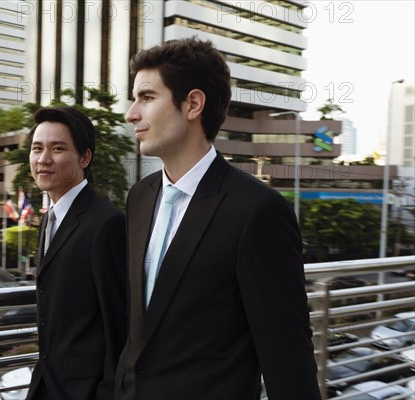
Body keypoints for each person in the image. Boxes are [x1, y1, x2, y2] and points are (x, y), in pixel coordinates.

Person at [114, 37, 321, 400]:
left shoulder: (258, 211)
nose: (132, 113)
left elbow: (287, 355)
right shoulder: (139, 198)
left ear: (193, 104)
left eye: (146, 97)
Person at [25, 106, 127, 400]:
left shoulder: (107, 224)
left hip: (85, 391)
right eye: (37, 149)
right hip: (47, 383)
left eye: (57, 149)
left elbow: (119, 325)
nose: (43, 160)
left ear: (84, 157)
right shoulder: (49, 218)